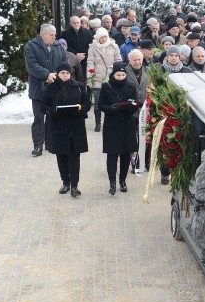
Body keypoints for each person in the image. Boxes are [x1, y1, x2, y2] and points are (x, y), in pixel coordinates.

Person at [41, 62, 90, 197]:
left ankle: (75, 186)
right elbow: (43, 106)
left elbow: (87, 104)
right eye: (62, 73)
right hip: (58, 126)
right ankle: (65, 182)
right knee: (61, 156)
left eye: (67, 73)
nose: (65, 75)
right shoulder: (50, 88)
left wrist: (80, 108)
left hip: (75, 126)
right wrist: (53, 111)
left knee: (75, 156)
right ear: (57, 74)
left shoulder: (78, 87)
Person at [24, 23, 67, 156]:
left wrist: (55, 75)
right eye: (51, 35)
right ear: (43, 35)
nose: (54, 37)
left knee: (52, 116)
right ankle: (38, 145)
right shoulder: (31, 46)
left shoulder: (58, 47)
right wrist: (46, 75)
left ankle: (50, 143)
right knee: (39, 117)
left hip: (54, 87)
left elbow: (64, 63)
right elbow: (31, 65)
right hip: (38, 88)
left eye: (55, 35)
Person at [99, 62, 140, 195]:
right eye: (118, 75)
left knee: (125, 154)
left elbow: (134, 103)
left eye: (123, 75)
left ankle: (122, 181)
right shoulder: (106, 86)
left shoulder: (131, 86)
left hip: (127, 123)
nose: (121, 77)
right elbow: (101, 104)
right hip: (112, 124)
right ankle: (112, 182)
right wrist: (110, 109)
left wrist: (131, 107)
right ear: (113, 75)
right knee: (112, 154)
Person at [87, 27, 122, 132]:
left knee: (111, 101)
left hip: (110, 77)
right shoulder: (93, 47)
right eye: (101, 37)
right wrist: (90, 75)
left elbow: (118, 60)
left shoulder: (114, 46)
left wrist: (112, 70)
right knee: (97, 102)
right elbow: (90, 61)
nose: (104, 39)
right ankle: (98, 123)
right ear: (98, 38)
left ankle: (111, 121)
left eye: (105, 36)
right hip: (97, 77)